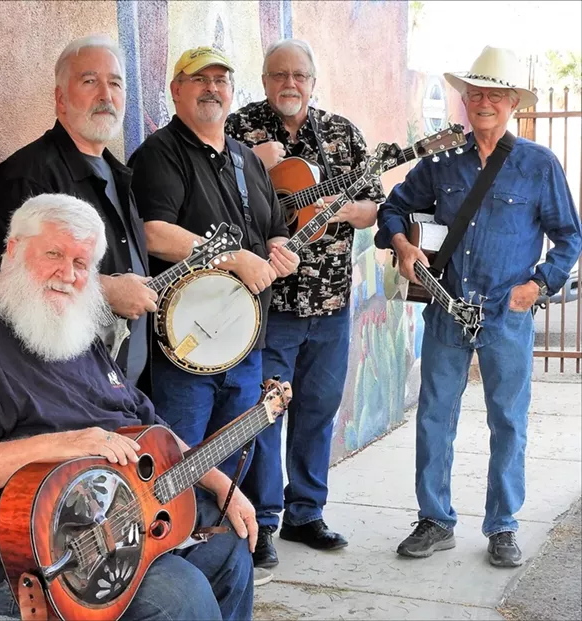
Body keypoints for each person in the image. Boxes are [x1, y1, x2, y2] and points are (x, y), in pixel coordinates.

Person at [0, 194, 256, 620]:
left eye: (81, 263)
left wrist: (221, 484)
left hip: (119, 517)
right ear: (13, 250)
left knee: (229, 545)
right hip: (20, 556)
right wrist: (65, 444)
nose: (68, 274)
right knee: (180, 595)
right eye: (54, 254)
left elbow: (147, 425)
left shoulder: (75, 334)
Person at [375, 46, 582, 567]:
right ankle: (434, 519)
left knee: (507, 421)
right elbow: (392, 208)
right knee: (434, 417)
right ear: (465, 101)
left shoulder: (539, 165)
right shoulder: (442, 161)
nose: (484, 102)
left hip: (506, 317)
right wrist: (402, 245)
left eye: (495, 94)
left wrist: (538, 285)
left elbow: (569, 238)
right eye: (475, 93)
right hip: (447, 310)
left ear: (512, 103)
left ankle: (503, 525)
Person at [224, 39, 383, 569]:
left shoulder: (342, 134)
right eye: (278, 74)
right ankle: (263, 521)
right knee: (264, 414)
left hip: (331, 300)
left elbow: (373, 207)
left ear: (313, 81)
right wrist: (257, 164)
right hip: (269, 305)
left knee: (317, 409)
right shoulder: (239, 130)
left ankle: (306, 512)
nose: (289, 83)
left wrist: (337, 212)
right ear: (264, 80)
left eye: (299, 75)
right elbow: (219, 196)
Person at [129, 48, 299, 510]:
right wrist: (235, 257)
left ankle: (225, 543)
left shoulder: (246, 159)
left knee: (233, 465)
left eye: (221, 80)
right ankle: (178, 545)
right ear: (176, 90)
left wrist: (280, 250)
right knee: (178, 466)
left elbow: (274, 227)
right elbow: (152, 232)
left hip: (245, 344)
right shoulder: (160, 154)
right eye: (199, 79)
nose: (212, 88)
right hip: (186, 349)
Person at [0, 34, 157, 386]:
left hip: (118, 390)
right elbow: (5, 280)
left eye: (115, 83)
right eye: (89, 81)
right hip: (54, 391)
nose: (105, 95)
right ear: (60, 99)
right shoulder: (25, 177)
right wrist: (106, 292)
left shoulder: (119, 175)